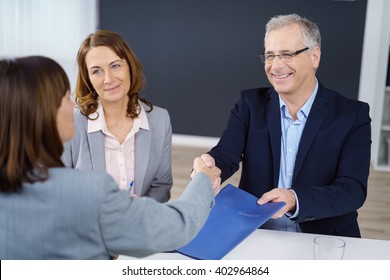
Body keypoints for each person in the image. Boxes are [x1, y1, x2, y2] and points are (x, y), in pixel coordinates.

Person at [0, 56, 220, 259]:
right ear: (42, 113)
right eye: (65, 97)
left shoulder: (159, 119)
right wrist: (202, 178)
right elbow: (176, 227)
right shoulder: (91, 193)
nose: (73, 104)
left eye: (115, 65)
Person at [200, 14, 371, 237]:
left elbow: (352, 190)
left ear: (315, 56)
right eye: (270, 55)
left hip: (324, 235)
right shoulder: (250, 104)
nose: (276, 65)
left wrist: (294, 199)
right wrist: (210, 166)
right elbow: (226, 153)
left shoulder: (353, 115)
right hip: (257, 230)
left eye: (287, 54)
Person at [62, 30, 172, 202]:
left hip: (139, 223)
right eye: (96, 71)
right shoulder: (71, 122)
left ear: (129, 66)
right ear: (88, 78)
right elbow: (59, 189)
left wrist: (137, 217)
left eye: (115, 66)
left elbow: (161, 187)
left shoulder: (160, 120)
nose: (108, 79)